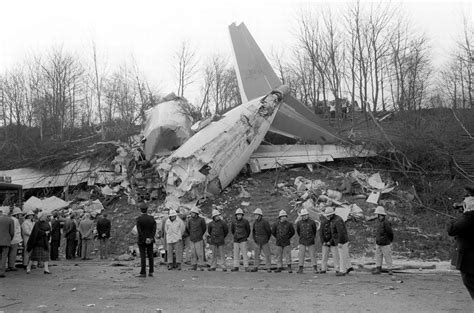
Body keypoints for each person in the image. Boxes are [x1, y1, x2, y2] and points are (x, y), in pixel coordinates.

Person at [448, 195, 474, 299]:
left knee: (469, 281)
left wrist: (465, 214)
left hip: (470, 260)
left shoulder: (469, 217)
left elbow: (452, 229)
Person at [136, 203, 157, 277]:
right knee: (150, 255)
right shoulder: (152, 218)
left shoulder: (139, 219)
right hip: (150, 240)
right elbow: (154, 229)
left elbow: (139, 231)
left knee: (143, 256)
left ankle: (143, 272)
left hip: (142, 240)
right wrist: (150, 238)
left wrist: (144, 238)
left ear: (140, 210)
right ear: (147, 210)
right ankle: (151, 271)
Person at [372, 206, 394, 275]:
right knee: (378, 256)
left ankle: (390, 269)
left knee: (387, 256)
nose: (378, 216)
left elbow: (390, 232)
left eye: (378, 215)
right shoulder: (380, 222)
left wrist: (389, 240)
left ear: (381, 215)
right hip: (379, 242)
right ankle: (378, 269)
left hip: (385, 243)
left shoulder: (386, 223)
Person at [296, 208, 318, 274]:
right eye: (303, 215)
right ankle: (300, 268)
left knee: (312, 255)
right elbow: (298, 231)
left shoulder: (312, 222)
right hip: (302, 240)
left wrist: (312, 238)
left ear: (308, 215)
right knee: (301, 255)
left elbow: (314, 231)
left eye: (305, 215)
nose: (304, 216)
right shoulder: (299, 223)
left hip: (310, 240)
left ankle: (315, 268)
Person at [330, 209, 351, 276]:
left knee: (342, 256)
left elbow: (341, 232)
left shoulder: (337, 221)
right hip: (342, 240)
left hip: (341, 241)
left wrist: (340, 242)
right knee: (345, 255)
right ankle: (349, 267)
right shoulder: (336, 219)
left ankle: (342, 271)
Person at [251, 208, 272, 273]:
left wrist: (267, 239)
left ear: (260, 215)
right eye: (255, 215)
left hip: (264, 241)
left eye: (256, 214)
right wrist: (254, 239)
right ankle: (256, 267)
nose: (255, 216)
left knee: (267, 255)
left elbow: (269, 231)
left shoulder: (265, 222)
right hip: (257, 241)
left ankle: (268, 267)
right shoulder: (255, 223)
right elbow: (253, 232)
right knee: (256, 255)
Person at [319, 207, 339, 274]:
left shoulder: (335, 222)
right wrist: (323, 241)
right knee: (324, 256)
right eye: (327, 215)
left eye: (329, 215)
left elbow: (335, 233)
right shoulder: (323, 222)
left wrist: (330, 242)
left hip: (333, 242)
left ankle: (337, 268)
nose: (328, 216)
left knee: (335, 256)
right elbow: (321, 233)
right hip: (325, 242)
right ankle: (323, 268)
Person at [187, 207, 207, 271]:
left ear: (196, 213)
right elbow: (188, 228)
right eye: (191, 213)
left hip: (199, 239)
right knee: (193, 253)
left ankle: (201, 265)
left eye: (192, 213)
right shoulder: (190, 220)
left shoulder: (201, 220)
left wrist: (200, 234)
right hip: (192, 238)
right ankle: (194, 265)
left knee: (200, 253)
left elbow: (204, 228)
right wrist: (191, 234)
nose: (191, 214)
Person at [7, 207, 23, 272]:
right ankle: (11, 265)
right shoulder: (15, 220)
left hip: (10, 239)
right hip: (15, 239)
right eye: (19, 214)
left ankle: (9, 265)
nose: (20, 215)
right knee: (13, 253)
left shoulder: (10, 219)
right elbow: (16, 230)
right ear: (16, 214)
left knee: (8, 253)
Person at [0, 209, 14, 278]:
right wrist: (10, 238)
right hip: (6, 241)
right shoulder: (10, 220)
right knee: (4, 256)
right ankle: (1, 272)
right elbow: (12, 232)